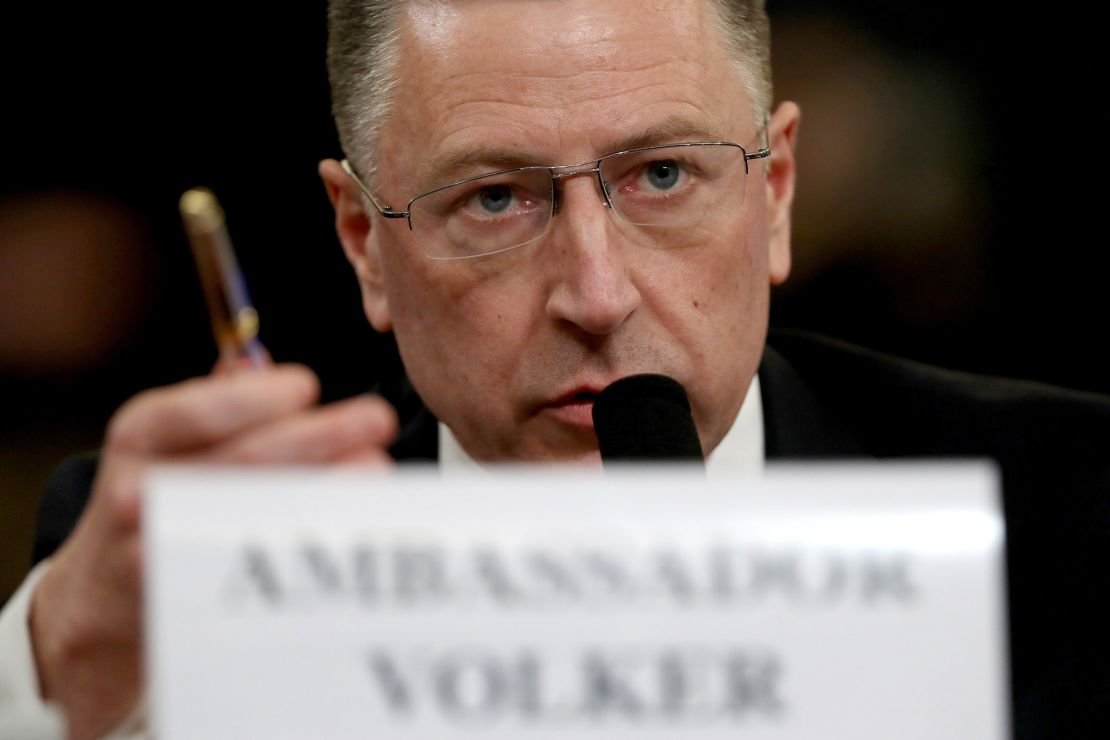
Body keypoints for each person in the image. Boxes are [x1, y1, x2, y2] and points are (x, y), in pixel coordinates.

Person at [1, 0, 1107, 738]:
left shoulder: (1067, 506)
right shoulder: (187, 559)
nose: (597, 291)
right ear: (362, 242)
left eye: (664, 173)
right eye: (495, 198)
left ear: (773, 195)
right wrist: (58, 665)